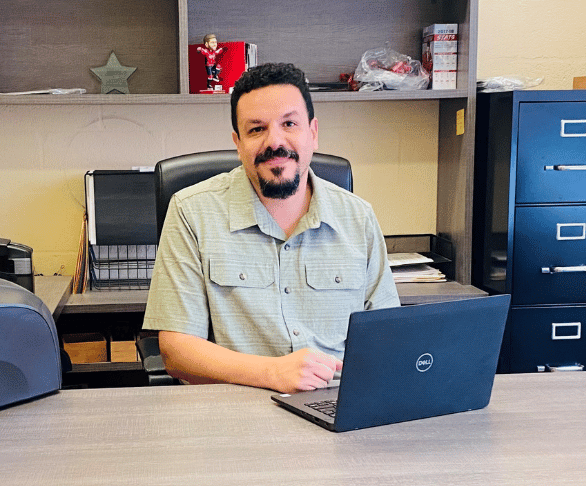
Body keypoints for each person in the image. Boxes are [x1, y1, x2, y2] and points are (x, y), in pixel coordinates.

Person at [142, 63, 400, 393]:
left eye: (289, 124)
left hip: (342, 405)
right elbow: (177, 352)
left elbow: (389, 337)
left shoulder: (358, 218)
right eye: (256, 129)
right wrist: (273, 373)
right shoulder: (192, 212)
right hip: (239, 411)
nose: (274, 141)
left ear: (313, 132)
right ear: (238, 143)